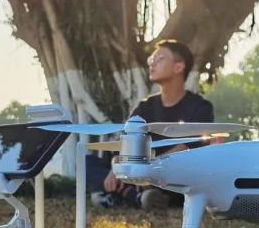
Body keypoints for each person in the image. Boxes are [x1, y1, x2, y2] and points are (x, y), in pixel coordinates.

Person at [91, 39, 214, 211]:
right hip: (140, 173)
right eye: (151, 60)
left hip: (173, 176)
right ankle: (137, 196)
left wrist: (148, 171)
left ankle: (123, 196)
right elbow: (125, 144)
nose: (152, 64)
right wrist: (115, 169)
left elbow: (188, 148)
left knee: (182, 178)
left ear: (178, 67)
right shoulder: (145, 107)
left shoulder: (200, 107)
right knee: (88, 162)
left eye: (160, 59)